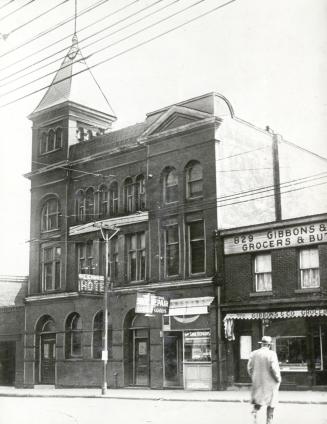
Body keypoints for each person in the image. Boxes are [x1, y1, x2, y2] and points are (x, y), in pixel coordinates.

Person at [247, 336, 281, 424]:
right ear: (269, 345)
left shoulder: (254, 353)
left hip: (257, 382)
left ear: (262, 344)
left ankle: (254, 415)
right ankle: (269, 421)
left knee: (258, 399)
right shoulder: (272, 354)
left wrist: (254, 377)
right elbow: (274, 368)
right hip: (270, 383)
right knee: (271, 402)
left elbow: (249, 368)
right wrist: (278, 379)